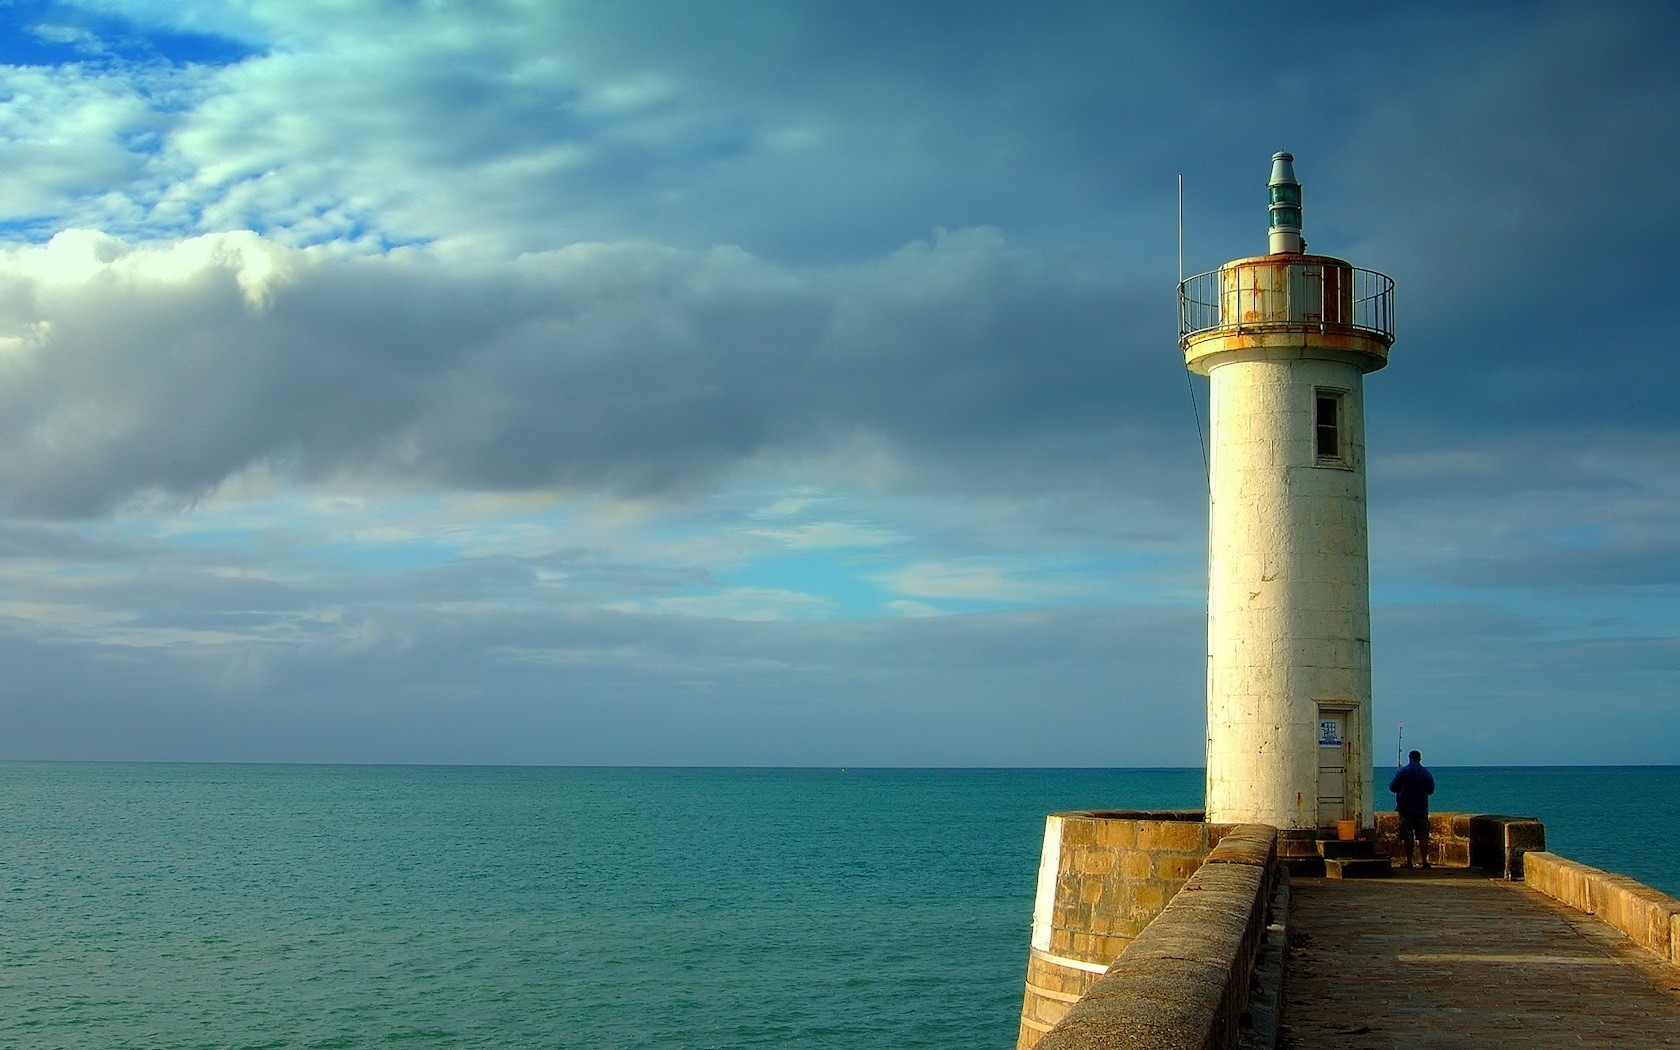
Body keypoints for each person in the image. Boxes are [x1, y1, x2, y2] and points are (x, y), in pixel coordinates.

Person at [1389, 750, 1435, 869]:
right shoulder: (1426, 773)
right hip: (1421, 808)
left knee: (1408, 836)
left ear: (1409, 758)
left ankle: (1409, 861)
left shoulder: (1403, 772)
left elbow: (1392, 787)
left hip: (1406, 808)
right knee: (1423, 836)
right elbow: (1431, 790)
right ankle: (1425, 861)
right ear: (1420, 759)